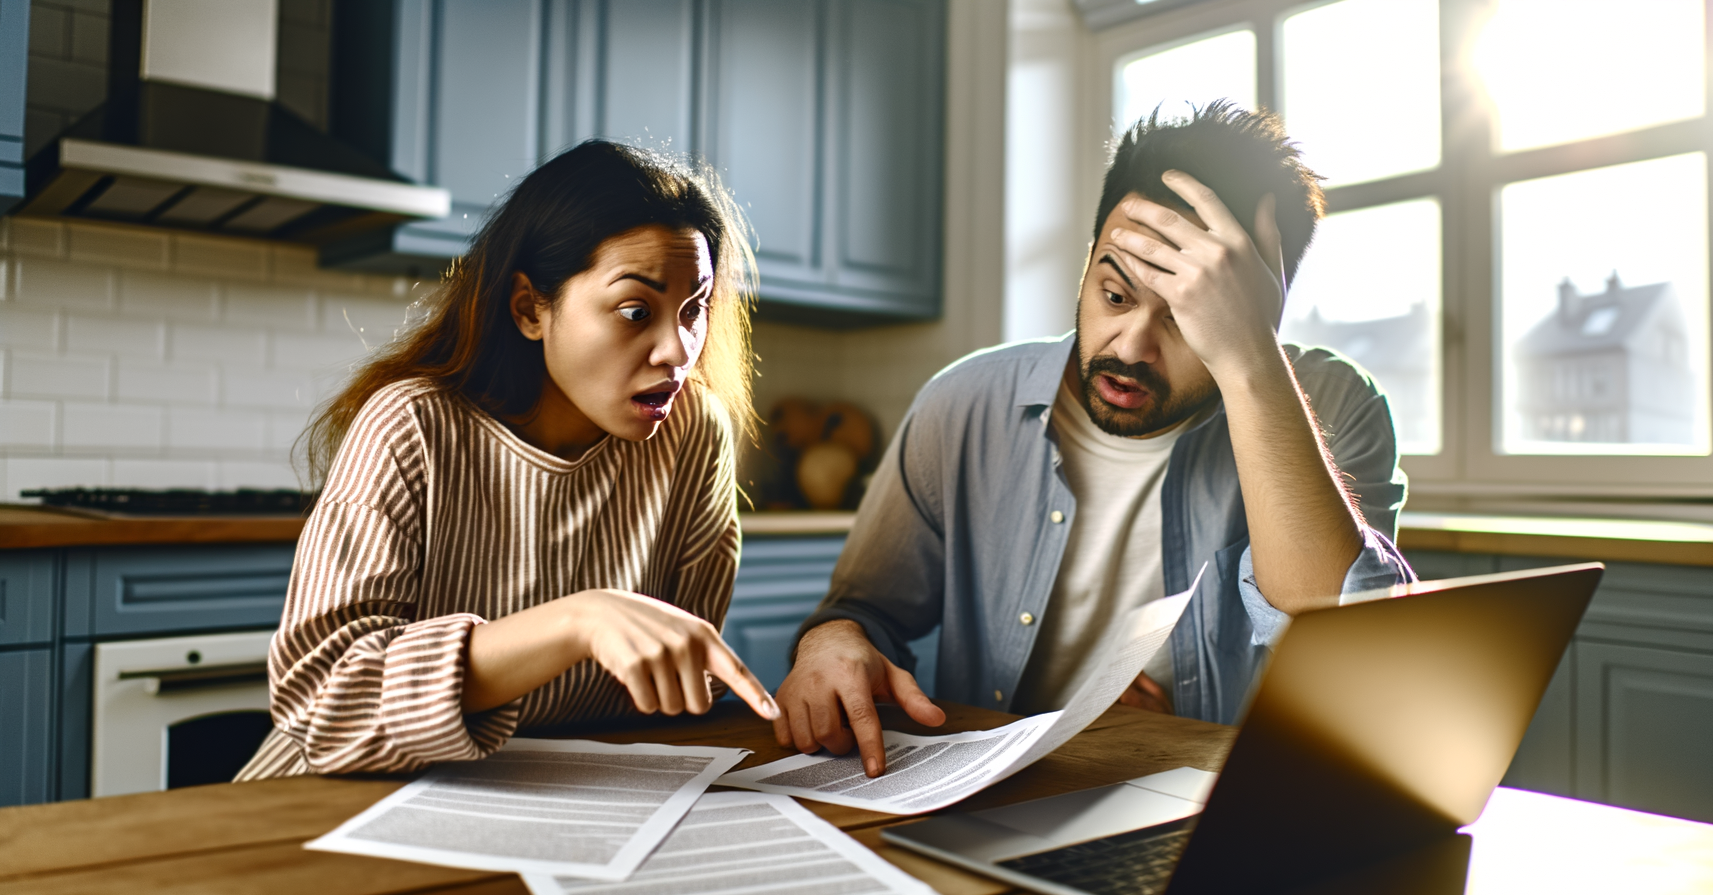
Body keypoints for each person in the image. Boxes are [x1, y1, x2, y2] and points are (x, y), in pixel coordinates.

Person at [776, 103, 1414, 775]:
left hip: (1210, 806)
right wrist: (833, 641)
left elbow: (1350, 659)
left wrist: (1252, 361)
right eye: (1113, 295)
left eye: (1187, 317)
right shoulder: (964, 404)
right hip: (992, 798)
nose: (1131, 346)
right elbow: (864, 611)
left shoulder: (1336, 405)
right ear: (1086, 265)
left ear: (1258, 308)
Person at [236, 140, 779, 780]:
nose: (677, 351)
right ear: (529, 309)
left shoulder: (691, 433)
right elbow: (323, 707)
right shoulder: (412, 425)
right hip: (334, 800)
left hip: (555, 797)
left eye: (695, 310)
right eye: (637, 310)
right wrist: (578, 620)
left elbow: (667, 693)